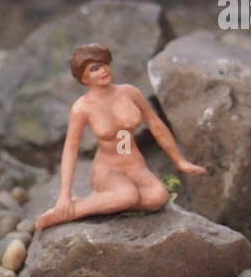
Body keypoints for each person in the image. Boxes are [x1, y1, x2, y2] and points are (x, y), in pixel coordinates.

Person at [35, 44, 205, 231]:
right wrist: (64, 195)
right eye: (94, 69)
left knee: (159, 197)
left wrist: (179, 161)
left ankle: (92, 203)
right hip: (108, 170)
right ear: (84, 78)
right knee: (127, 196)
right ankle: (75, 210)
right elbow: (70, 149)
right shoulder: (82, 108)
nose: (104, 71)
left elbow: (156, 125)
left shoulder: (130, 92)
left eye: (104, 64)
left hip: (135, 165)